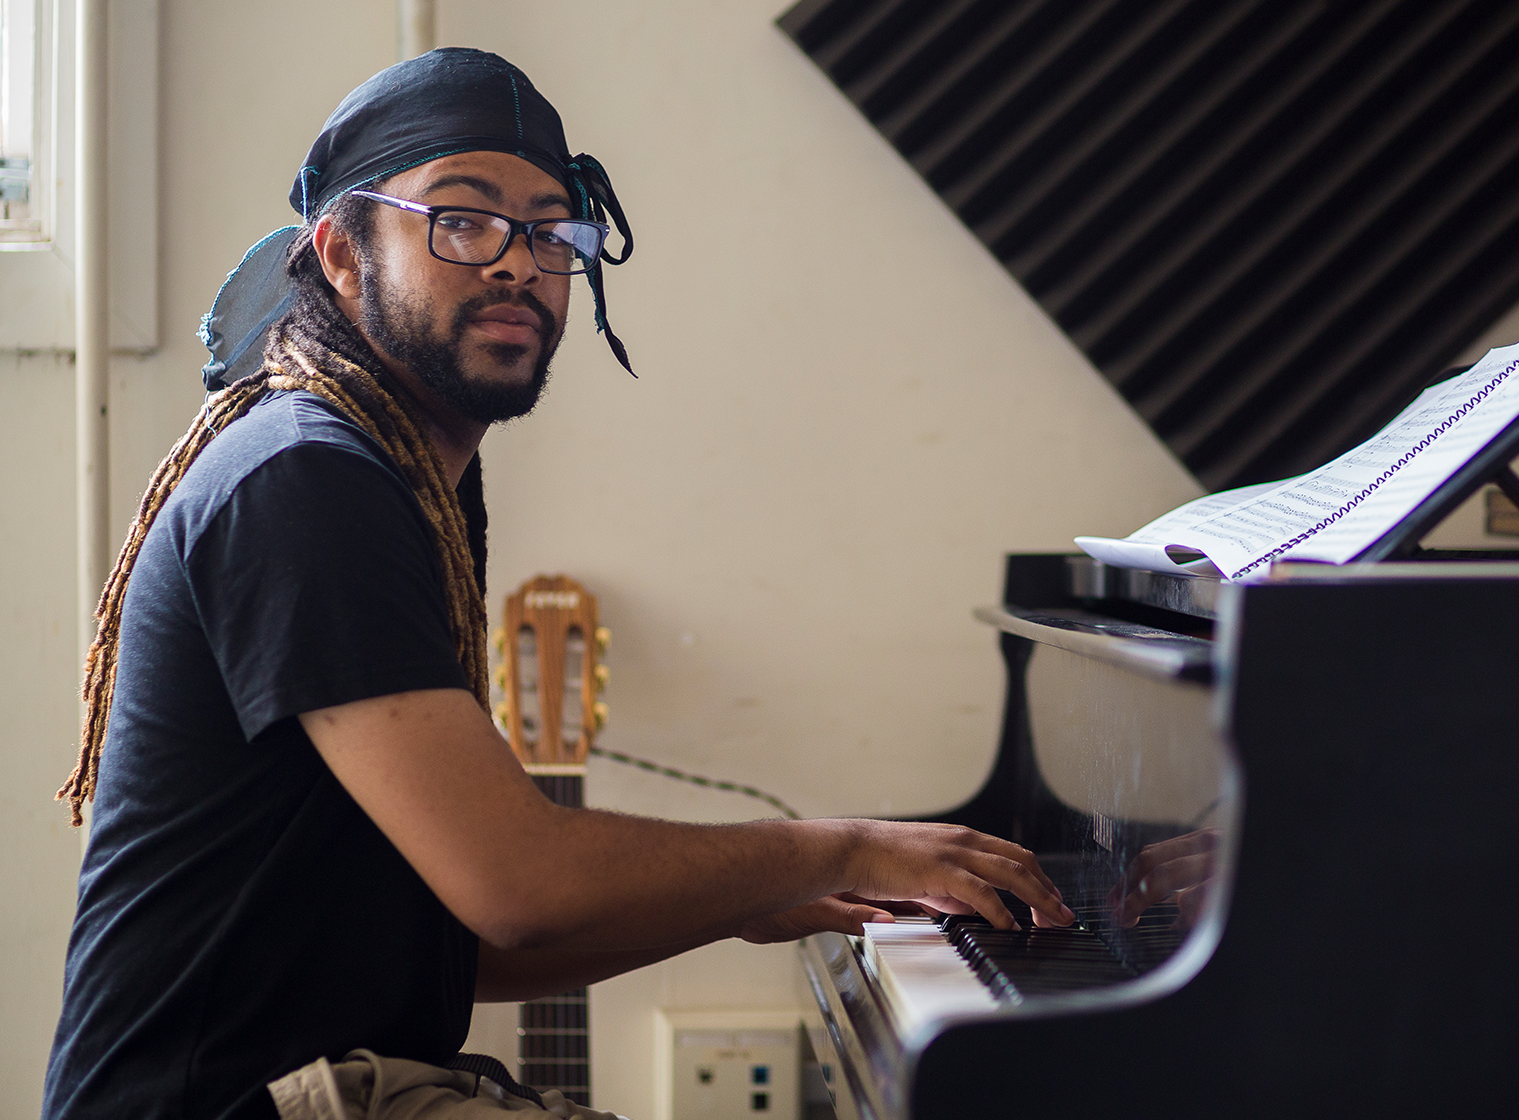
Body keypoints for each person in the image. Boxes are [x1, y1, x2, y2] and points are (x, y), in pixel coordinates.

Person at [40, 49, 1073, 1120]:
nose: (517, 264)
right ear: (343, 253)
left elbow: (463, 944)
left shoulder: (399, 479)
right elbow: (519, 889)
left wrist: (754, 898)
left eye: (550, 229)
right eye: (463, 219)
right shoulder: (305, 479)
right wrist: (835, 844)